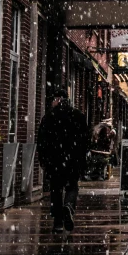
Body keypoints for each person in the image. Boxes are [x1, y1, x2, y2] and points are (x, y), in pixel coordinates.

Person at [37, 88, 89, 233]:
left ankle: (58, 222)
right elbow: (85, 140)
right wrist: (82, 158)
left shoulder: (49, 117)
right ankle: (69, 205)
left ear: (57, 100)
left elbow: (42, 140)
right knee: (72, 186)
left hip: (54, 161)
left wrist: (43, 158)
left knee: (56, 189)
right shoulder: (78, 116)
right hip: (73, 160)